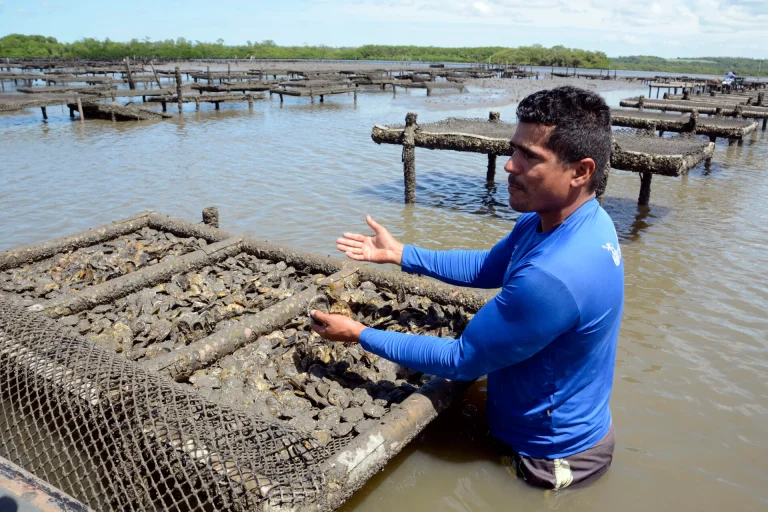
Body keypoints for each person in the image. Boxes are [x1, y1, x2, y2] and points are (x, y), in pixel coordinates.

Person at [310, 86, 624, 490]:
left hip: (550, 459)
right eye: (515, 150)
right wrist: (402, 254)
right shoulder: (567, 218)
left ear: (581, 171)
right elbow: (488, 267)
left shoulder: (555, 276)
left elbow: (462, 360)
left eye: (531, 157)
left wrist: (359, 334)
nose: (510, 166)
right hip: (557, 421)